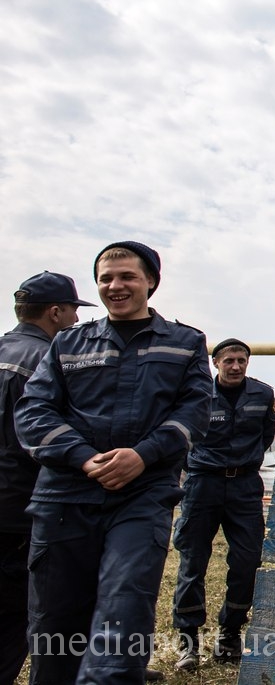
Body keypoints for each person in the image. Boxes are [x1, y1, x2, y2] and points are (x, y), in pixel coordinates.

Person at [15, 241, 213, 684]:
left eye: (126, 276)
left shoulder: (185, 343)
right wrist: (86, 460)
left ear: (151, 282)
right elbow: (33, 412)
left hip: (141, 499)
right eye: (105, 278)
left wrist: (141, 457)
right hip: (64, 500)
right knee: (54, 624)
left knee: (123, 616)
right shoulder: (68, 342)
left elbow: (195, 412)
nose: (115, 285)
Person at [0, 272, 94, 684]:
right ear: (55, 312)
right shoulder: (49, 363)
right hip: (21, 512)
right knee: (21, 615)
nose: (75, 319)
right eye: (73, 309)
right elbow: (45, 443)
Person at [171, 338, 275, 671]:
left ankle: (229, 633)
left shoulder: (262, 394)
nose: (235, 366)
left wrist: (243, 463)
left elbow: (266, 434)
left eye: (242, 361)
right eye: (229, 360)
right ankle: (188, 643)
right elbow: (182, 438)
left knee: (247, 561)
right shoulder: (197, 392)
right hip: (203, 484)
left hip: (245, 485)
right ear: (215, 363)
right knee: (192, 562)